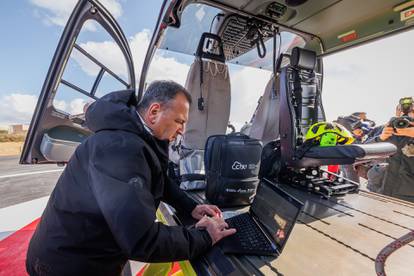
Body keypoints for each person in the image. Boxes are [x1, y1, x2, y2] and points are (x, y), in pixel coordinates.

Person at [26, 81, 236, 276]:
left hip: (82, 249)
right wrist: (206, 237)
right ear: (154, 112)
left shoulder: (136, 136)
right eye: (179, 121)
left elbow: (156, 177)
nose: (181, 130)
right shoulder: (121, 148)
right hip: (68, 264)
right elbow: (142, 240)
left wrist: (190, 207)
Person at [366, 98, 414, 201]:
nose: (408, 115)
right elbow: (361, 152)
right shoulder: (383, 128)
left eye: (412, 112)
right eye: (403, 111)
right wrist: (379, 138)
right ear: (397, 111)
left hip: (408, 197)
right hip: (377, 190)